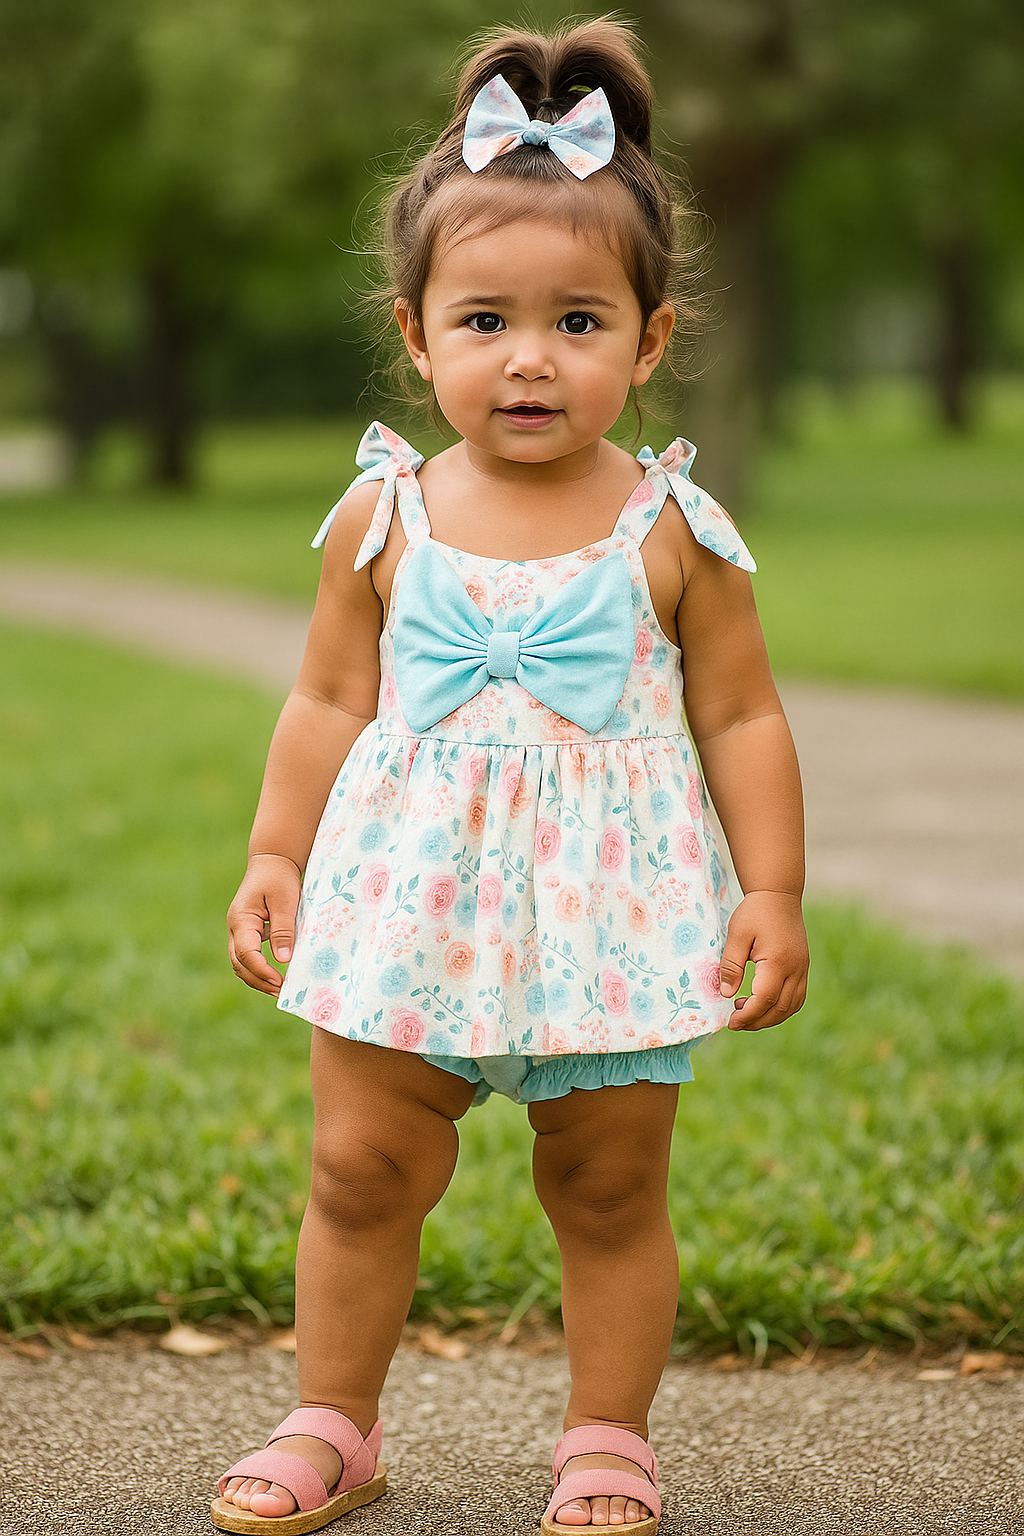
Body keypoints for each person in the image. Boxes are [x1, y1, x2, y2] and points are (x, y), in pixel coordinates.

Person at [213, 17, 809, 1536]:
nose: (529, 356)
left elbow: (740, 717)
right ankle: (332, 1419)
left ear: (651, 339)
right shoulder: (383, 517)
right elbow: (326, 694)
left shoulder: (674, 529)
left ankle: (607, 1436)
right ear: (417, 337)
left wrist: (774, 889)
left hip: (608, 920)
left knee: (608, 1191)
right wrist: (279, 851)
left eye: (580, 321)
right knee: (359, 1166)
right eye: (483, 320)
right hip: (404, 904)